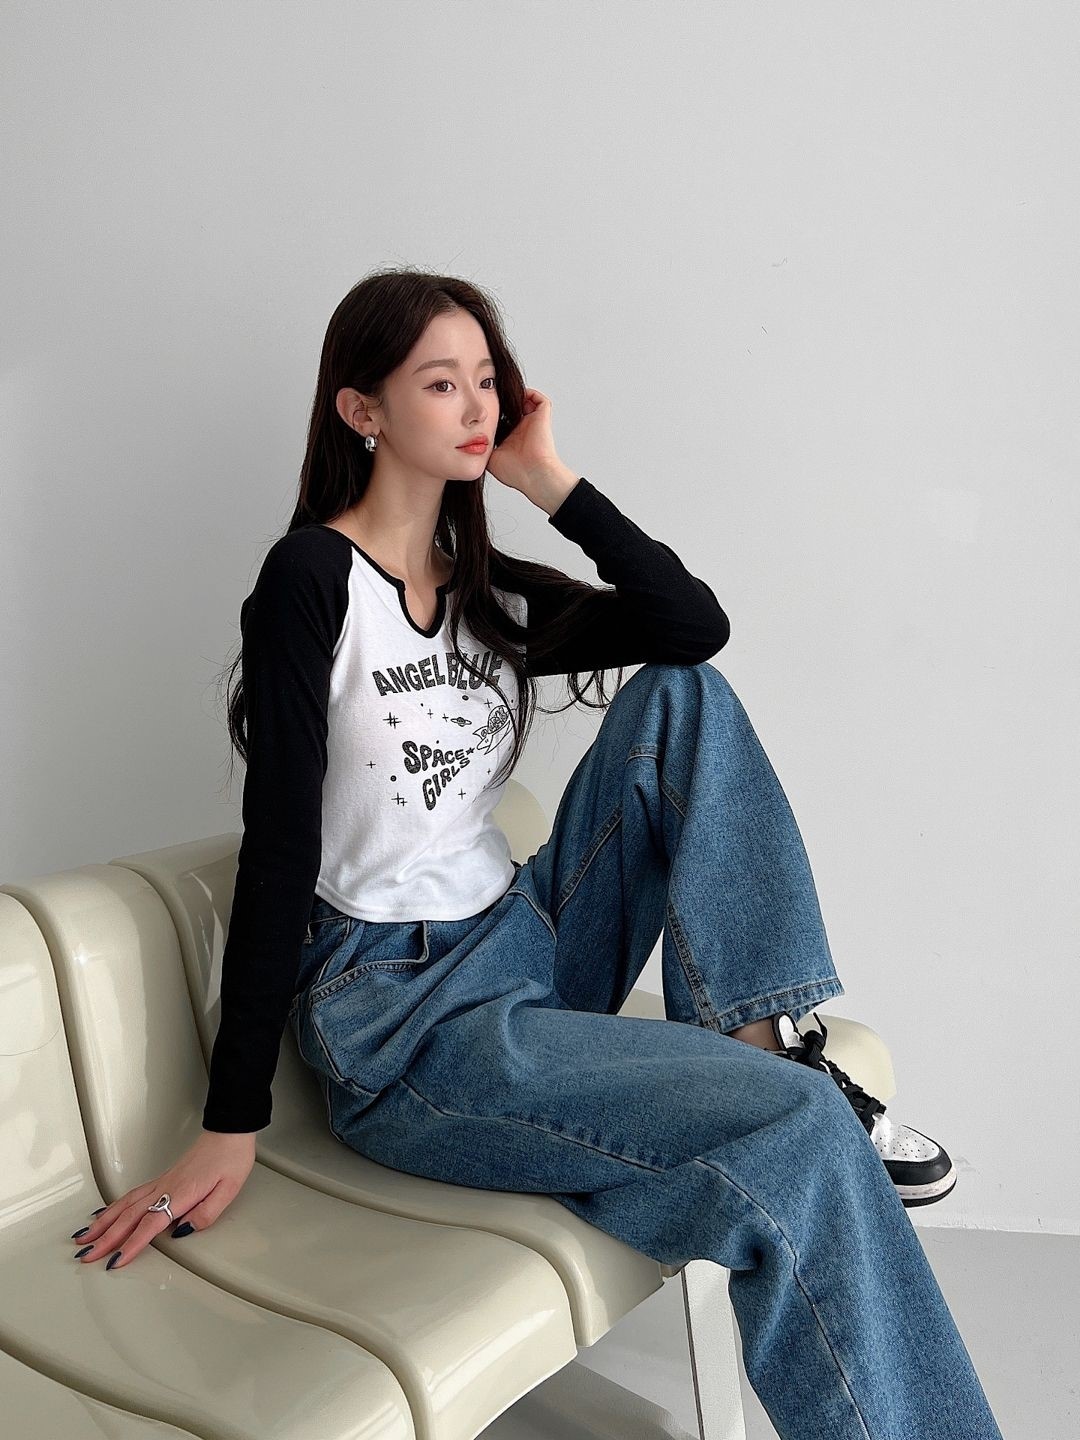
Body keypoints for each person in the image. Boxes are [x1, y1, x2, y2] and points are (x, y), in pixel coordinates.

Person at [71, 267, 1004, 1438]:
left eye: (487, 382)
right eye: (441, 384)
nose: (476, 407)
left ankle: (767, 1046)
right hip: (406, 1018)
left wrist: (547, 481)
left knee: (684, 697)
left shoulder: (482, 593)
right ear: (362, 410)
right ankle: (792, 1097)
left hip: (525, 939)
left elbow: (691, 625)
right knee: (805, 1136)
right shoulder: (312, 580)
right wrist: (231, 1119)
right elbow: (279, 851)